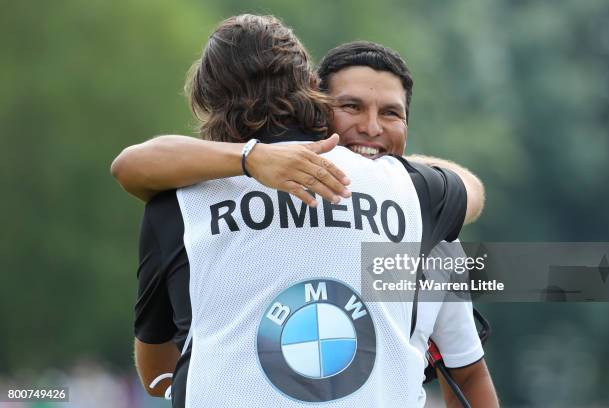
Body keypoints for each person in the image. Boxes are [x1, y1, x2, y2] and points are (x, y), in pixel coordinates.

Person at [112, 15, 496, 407]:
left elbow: (156, 370)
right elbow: (471, 190)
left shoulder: (177, 199)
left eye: (390, 113)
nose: (371, 128)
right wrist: (388, 170)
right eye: (352, 106)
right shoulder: (416, 196)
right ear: (313, 91)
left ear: (207, 101)